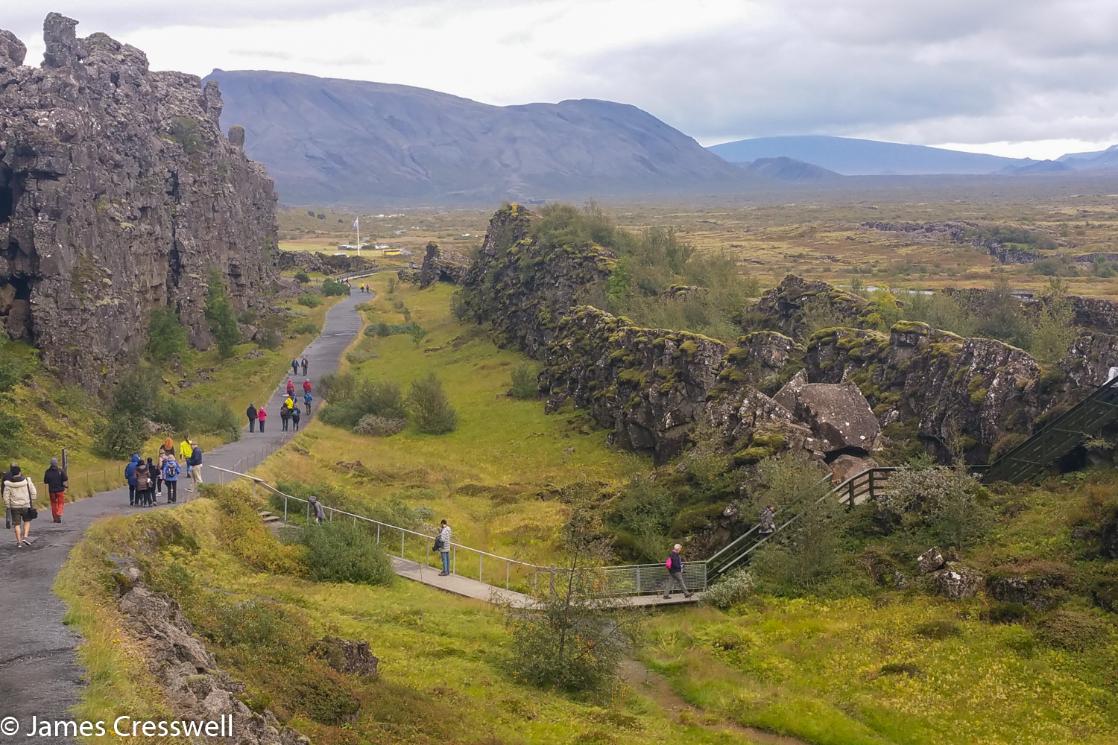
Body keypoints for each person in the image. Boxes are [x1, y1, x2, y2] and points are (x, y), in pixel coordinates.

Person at [3, 465, 38, 547]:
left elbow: (6, 496)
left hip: (14, 506)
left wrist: (8, 505)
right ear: (20, 472)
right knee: (27, 521)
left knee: (17, 524)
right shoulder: (27, 481)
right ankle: (25, 537)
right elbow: (33, 492)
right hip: (26, 504)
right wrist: (32, 500)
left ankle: (19, 542)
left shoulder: (8, 484)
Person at [43, 457, 68, 524]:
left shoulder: (47, 471)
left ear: (50, 464)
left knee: (53, 504)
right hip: (60, 490)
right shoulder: (60, 470)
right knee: (61, 503)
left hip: (51, 491)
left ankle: (55, 518)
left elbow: (45, 481)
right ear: (56, 463)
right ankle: (59, 512)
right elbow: (65, 478)